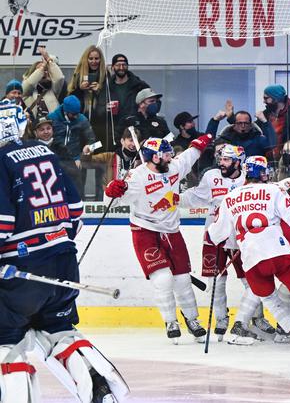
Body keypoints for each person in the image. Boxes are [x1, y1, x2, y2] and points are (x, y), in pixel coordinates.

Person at [0, 101, 129, 402]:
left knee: (5, 341)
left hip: (20, 270)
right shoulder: (45, 152)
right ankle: (101, 391)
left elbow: (2, 224)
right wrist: (55, 242)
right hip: (63, 262)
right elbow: (75, 211)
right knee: (59, 332)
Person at [207, 155, 290, 352]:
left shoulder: (230, 198)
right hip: (279, 253)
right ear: (262, 173)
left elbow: (215, 235)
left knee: (270, 300)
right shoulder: (273, 190)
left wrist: (228, 233)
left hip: (252, 260)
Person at [104, 133, 213, 342]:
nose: (170, 157)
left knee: (182, 280)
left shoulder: (173, 168)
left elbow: (189, 155)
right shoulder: (136, 177)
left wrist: (204, 139)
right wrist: (112, 191)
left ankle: (192, 319)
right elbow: (114, 202)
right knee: (163, 279)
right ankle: (170, 321)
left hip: (172, 231)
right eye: (165, 154)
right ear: (154, 157)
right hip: (145, 231)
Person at [180, 144, 268, 344]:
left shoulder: (249, 178)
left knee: (251, 281)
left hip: (242, 239)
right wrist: (174, 198)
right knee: (216, 281)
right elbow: (195, 197)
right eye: (221, 159)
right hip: (214, 237)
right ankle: (221, 318)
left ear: (238, 162)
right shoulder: (211, 176)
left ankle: (257, 319)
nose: (221, 163)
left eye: (227, 160)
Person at [47, 95, 97, 197]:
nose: (76, 116)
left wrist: (87, 149)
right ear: (65, 111)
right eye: (73, 114)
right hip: (55, 159)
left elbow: (95, 141)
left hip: (75, 160)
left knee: (76, 191)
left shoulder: (82, 119)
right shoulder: (52, 118)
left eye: (77, 113)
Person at [68, 45, 110, 145]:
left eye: (96, 58)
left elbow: (110, 96)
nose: (94, 61)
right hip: (81, 119)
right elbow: (70, 99)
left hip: (99, 122)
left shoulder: (106, 75)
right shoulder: (78, 74)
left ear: (101, 60)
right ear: (86, 59)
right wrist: (80, 89)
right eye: (90, 58)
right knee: (83, 150)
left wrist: (99, 90)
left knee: (97, 148)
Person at [22, 47, 64, 119]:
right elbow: (29, 83)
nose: (44, 72)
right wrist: (41, 68)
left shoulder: (52, 89)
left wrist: (48, 59)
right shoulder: (28, 92)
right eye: (41, 71)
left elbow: (59, 78)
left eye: (46, 70)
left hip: (52, 126)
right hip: (35, 127)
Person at [108, 53, 150, 126]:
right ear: (112, 67)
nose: (121, 68)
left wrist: (146, 108)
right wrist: (105, 108)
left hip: (137, 127)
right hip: (114, 128)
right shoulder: (107, 87)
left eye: (124, 65)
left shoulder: (139, 85)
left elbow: (155, 102)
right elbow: (99, 107)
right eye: (118, 65)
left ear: (127, 66)